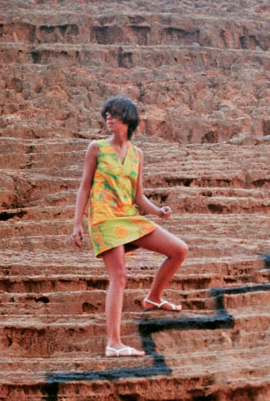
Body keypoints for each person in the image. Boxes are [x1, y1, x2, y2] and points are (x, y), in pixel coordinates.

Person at [72, 96, 189, 356]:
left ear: (128, 119)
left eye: (114, 114)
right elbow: (84, 187)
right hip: (104, 219)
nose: (108, 118)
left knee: (179, 250)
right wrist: (77, 223)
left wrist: (158, 210)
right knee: (120, 276)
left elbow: (138, 196)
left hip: (129, 217)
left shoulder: (137, 154)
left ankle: (154, 298)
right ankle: (113, 343)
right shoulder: (96, 148)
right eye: (107, 114)